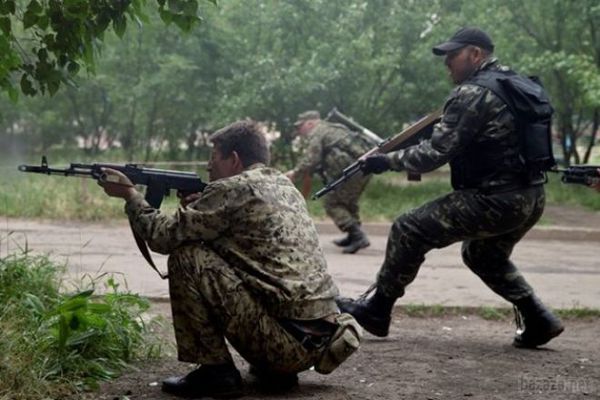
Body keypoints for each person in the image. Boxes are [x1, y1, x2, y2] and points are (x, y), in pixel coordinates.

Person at [337, 27, 564, 348]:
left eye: (452, 56)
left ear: (475, 54)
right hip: (532, 196)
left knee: (408, 227)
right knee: (482, 254)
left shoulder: (472, 93)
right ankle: (540, 319)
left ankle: (377, 310)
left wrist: (386, 161)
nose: (447, 64)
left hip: (495, 200)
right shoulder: (517, 84)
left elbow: (433, 154)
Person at [98, 120, 361, 398]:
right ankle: (276, 373)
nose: (209, 167)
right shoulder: (284, 185)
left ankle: (216, 372)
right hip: (319, 340)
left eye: (213, 158)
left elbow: (162, 238)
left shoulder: (232, 188)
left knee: (187, 257)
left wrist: (130, 195)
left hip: (282, 346)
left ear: (234, 160)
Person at [286, 110, 373, 254]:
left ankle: (358, 236)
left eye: (300, 126)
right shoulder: (332, 128)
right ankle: (353, 235)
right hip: (363, 168)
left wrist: (295, 173)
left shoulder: (318, 132)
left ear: (310, 123)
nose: (299, 130)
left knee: (332, 203)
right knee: (348, 202)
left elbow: (311, 159)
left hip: (353, 170)